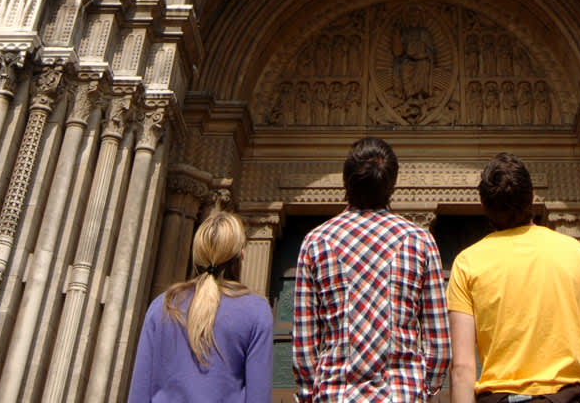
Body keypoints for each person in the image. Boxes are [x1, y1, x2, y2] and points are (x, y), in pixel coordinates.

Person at [293, 136, 449, 401]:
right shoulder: (419, 241)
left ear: (346, 181)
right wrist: (421, 391)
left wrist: (311, 394)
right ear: (392, 185)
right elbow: (440, 344)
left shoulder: (316, 242)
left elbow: (304, 346)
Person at [447, 153, 580, 403]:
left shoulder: (467, 263)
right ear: (532, 198)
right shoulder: (576, 252)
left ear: (486, 208)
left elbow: (462, 367)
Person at [126, 211, 272, 403]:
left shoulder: (163, 306)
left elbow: (139, 392)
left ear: (196, 256)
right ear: (241, 255)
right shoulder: (257, 311)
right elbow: (258, 397)